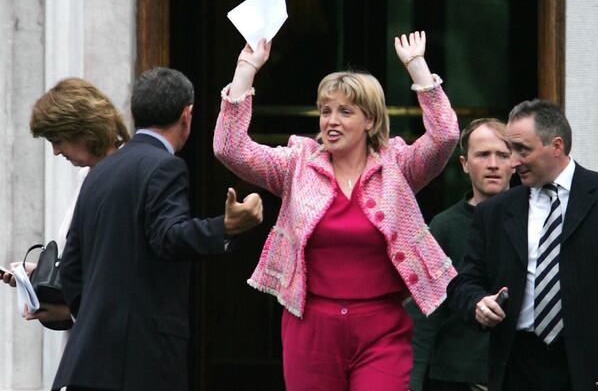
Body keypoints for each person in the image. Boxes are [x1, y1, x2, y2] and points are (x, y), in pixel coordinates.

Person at [213, 31, 459, 391]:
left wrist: (418, 68)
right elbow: (230, 148)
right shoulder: (297, 164)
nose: (331, 120)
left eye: (345, 111)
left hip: (382, 330)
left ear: (370, 120)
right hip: (310, 326)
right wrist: (245, 69)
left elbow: (445, 138)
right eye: (326, 111)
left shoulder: (397, 165)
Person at [52, 67, 264, 391]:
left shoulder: (98, 172)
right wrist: (225, 227)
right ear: (187, 115)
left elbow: (70, 270)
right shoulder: (165, 165)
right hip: (143, 363)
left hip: (88, 364)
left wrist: (101, 324)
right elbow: (168, 237)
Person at [448, 100, 598, 391]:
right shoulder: (494, 211)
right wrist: (478, 304)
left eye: (522, 150)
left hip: (593, 368)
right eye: (511, 150)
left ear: (556, 146)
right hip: (516, 363)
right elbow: (465, 282)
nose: (513, 161)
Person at [2, 78, 130, 329]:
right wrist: (40, 277)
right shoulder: (88, 177)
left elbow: (118, 282)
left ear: (83, 130)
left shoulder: (124, 178)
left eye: (57, 140)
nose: (56, 152)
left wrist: (68, 311)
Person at [407, 118, 514, 391]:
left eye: (502, 155)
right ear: (465, 164)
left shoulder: (535, 220)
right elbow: (424, 315)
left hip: (517, 372)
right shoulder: (444, 226)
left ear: (515, 162)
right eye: (483, 154)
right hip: (455, 377)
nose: (493, 163)